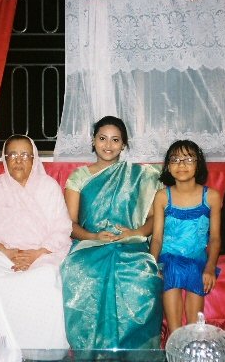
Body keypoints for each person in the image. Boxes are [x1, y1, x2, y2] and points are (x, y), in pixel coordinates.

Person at [60, 116, 163, 349]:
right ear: (93, 141)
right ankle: (95, 352)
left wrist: (133, 232)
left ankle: (133, 353)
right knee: (83, 273)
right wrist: (94, 236)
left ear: (124, 144)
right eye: (102, 138)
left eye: (115, 140)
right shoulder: (79, 177)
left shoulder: (139, 176)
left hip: (132, 244)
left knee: (141, 277)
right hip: (89, 245)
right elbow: (70, 224)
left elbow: (153, 219)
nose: (108, 145)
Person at [0, 135, 72, 350]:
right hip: (0, 252)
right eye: (13, 155)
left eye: (25, 155)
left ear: (34, 159)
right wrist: (7, 251)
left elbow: (62, 227)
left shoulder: (49, 187)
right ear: (5, 159)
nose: (18, 160)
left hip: (42, 252)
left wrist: (36, 254)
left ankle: (41, 348)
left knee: (45, 276)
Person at [150, 139, 222, 335]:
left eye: (188, 159)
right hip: (168, 256)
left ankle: (192, 335)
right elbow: (157, 238)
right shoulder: (162, 196)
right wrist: (153, 265)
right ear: (168, 166)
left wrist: (210, 267)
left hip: (196, 256)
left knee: (194, 270)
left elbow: (215, 238)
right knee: (173, 268)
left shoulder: (212, 197)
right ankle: (175, 336)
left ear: (199, 164)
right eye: (175, 159)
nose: (181, 164)